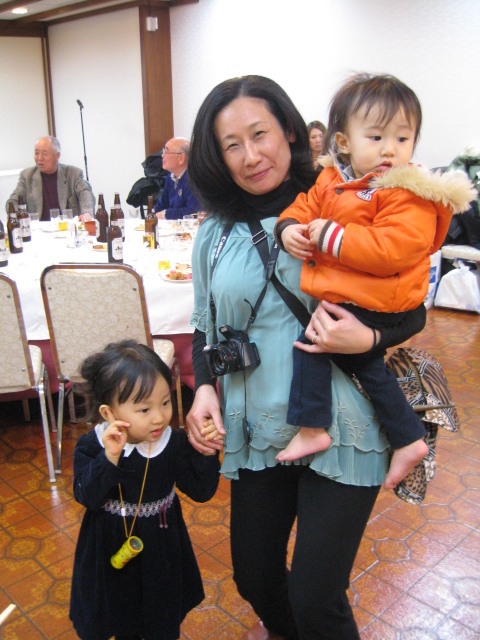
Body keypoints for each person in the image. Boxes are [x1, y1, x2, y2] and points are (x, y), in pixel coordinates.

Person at [185, 75, 429, 640]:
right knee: (255, 577)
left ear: (290, 132)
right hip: (258, 427)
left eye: (260, 134)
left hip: (344, 423)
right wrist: (204, 388)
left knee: (317, 599)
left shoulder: (345, 203)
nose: (251, 156)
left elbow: (411, 306)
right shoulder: (213, 235)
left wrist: (368, 339)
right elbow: (204, 324)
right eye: (232, 145)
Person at [274, 73, 475, 487]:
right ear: (344, 142)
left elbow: (391, 250)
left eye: (403, 138)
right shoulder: (334, 180)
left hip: (385, 296)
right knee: (360, 362)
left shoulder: (407, 191)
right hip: (359, 293)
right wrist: (289, 227)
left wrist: (331, 237)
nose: (390, 149)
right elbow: (305, 205)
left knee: (311, 343)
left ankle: (313, 428)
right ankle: (408, 437)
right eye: (377, 137)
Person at [69, 340, 220, 640]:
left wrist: (206, 452)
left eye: (165, 403)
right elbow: (87, 495)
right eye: (144, 409)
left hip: (161, 549)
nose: (159, 417)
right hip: (109, 547)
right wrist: (109, 458)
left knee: (160, 620)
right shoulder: (92, 446)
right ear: (109, 413)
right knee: (119, 615)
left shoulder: (172, 444)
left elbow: (201, 491)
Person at [7, 136, 95, 221]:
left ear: (57, 156)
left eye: (44, 154)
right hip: (39, 228)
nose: (39, 158)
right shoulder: (27, 176)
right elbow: (13, 201)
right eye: (36, 153)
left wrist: (86, 212)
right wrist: (18, 215)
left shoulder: (73, 173)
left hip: (66, 227)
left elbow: (86, 193)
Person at [154, 137, 200, 220]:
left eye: (166, 152)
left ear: (181, 158)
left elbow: (193, 212)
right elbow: (160, 207)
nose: (162, 155)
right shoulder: (170, 177)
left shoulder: (195, 178)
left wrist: (165, 214)